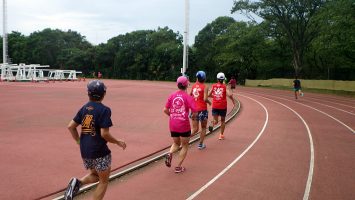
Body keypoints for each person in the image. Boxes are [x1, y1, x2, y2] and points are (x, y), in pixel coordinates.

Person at [65, 80, 127, 200]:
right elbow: (105, 134)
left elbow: (71, 126)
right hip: (100, 152)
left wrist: (79, 141)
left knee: (95, 175)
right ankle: (78, 183)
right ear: (103, 94)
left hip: (85, 151)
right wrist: (118, 141)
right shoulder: (104, 110)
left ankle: (77, 182)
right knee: (103, 181)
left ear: (88, 94)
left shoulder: (84, 108)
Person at [164, 76, 197, 173]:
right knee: (185, 145)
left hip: (173, 124)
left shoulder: (172, 95)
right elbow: (195, 112)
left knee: (176, 143)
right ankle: (178, 167)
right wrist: (193, 117)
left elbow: (165, 110)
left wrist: (173, 115)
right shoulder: (188, 97)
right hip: (183, 125)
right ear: (186, 85)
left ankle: (170, 153)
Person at [208, 72, 235, 140]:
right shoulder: (224, 86)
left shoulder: (214, 86)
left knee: (216, 121)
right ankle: (221, 135)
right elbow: (230, 95)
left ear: (217, 79)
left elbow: (208, 94)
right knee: (222, 121)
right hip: (222, 106)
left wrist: (215, 96)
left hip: (215, 106)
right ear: (223, 79)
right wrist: (233, 101)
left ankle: (212, 123)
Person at [190, 71, 211, 150]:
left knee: (195, 129)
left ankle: (184, 140)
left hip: (194, 110)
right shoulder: (205, 87)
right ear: (204, 78)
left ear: (197, 78)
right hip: (202, 109)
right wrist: (209, 102)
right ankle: (201, 144)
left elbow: (189, 96)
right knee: (203, 127)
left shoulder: (193, 86)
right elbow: (205, 99)